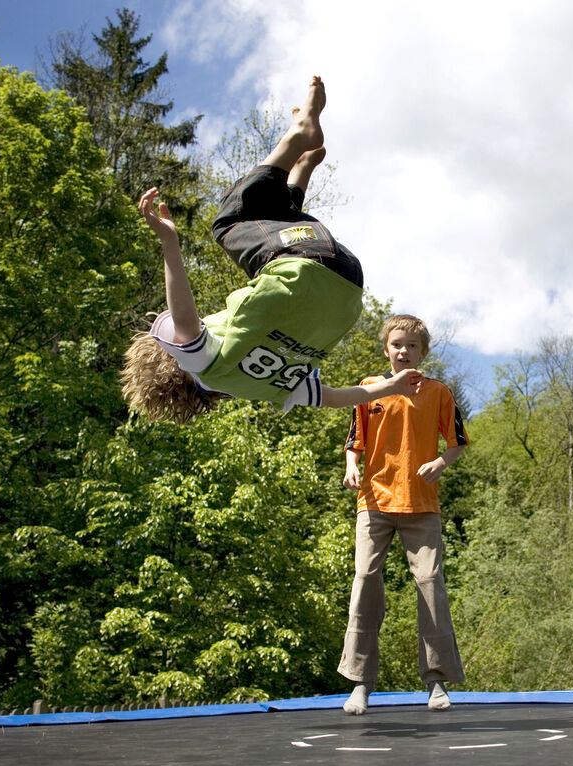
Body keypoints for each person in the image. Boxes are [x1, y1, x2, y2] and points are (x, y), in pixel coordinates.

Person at [121, 77, 422, 423]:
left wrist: (392, 387)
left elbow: (338, 398)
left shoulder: (265, 390)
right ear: (171, 365)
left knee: (281, 225)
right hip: (299, 267)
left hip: (348, 282)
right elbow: (186, 320)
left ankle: (303, 164)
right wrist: (169, 243)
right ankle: (298, 136)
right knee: (229, 222)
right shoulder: (197, 363)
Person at [338, 315, 468, 714]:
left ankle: (436, 681)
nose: (403, 350)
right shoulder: (368, 389)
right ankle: (361, 683)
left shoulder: (438, 393)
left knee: (430, 581)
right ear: (386, 349)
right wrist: (350, 466)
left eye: (412, 345)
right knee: (364, 578)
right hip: (374, 502)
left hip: (421, 504)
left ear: (422, 351)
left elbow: (458, 442)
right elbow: (353, 439)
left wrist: (442, 463)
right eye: (397, 343)